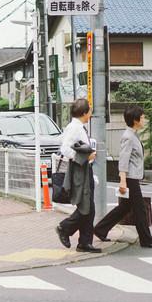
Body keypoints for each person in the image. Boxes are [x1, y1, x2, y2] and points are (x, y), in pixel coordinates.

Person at [94, 106, 152, 248]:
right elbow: (123, 160)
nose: (144, 119)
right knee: (140, 210)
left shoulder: (133, 134)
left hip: (133, 177)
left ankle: (100, 229)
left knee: (124, 208)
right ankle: (147, 240)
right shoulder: (128, 137)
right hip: (130, 179)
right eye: (142, 117)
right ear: (135, 120)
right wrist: (123, 181)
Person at [55, 98, 101, 253]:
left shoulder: (75, 126)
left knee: (88, 207)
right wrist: (84, 158)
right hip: (80, 171)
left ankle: (84, 242)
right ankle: (65, 227)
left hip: (83, 170)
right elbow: (65, 149)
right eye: (89, 111)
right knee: (87, 207)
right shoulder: (75, 128)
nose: (90, 114)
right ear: (84, 112)